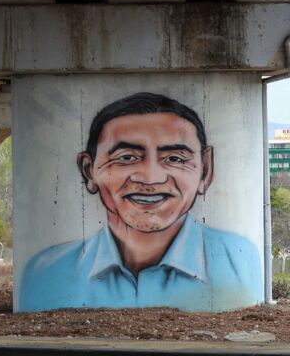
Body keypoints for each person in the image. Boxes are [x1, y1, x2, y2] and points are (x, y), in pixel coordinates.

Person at [20, 92, 261, 312]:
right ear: (88, 171)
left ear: (205, 170)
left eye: (175, 158)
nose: (151, 178)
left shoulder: (241, 261)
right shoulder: (45, 272)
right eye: (126, 157)